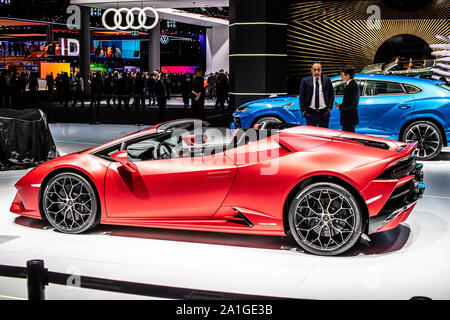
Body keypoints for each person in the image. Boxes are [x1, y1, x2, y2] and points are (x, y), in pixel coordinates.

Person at [299, 61, 334, 128]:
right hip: (310, 113)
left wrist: (329, 110)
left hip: (324, 113)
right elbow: (301, 98)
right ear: (311, 70)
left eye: (319, 70)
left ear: (321, 70)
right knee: (312, 136)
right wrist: (304, 112)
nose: (317, 72)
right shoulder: (305, 81)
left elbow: (331, 95)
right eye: (315, 70)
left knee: (324, 135)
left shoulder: (327, 80)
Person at [334, 66, 360, 133]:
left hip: (349, 118)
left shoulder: (351, 86)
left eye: (342, 75)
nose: (341, 77)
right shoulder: (354, 85)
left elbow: (350, 104)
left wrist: (339, 106)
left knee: (348, 137)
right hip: (351, 117)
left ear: (347, 75)